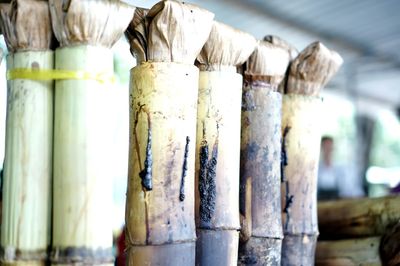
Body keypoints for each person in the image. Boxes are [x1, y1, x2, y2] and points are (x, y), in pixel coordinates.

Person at [318, 136, 364, 200]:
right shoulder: (316, 171)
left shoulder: (341, 169)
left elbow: (352, 190)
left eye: (330, 147)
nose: (328, 150)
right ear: (320, 148)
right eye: (325, 147)